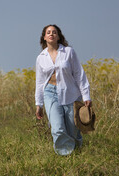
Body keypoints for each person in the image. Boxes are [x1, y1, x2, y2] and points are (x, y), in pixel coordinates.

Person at [35, 24, 92, 156]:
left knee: (73, 129)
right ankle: (66, 154)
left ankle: (78, 150)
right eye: (48, 32)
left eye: (54, 32)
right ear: (44, 37)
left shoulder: (68, 52)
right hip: (50, 93)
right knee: (57, 127)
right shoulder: (41, 58)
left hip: (70, 93)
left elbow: (79, 73)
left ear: (58, 36)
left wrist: (86, 95)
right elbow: (39, 82)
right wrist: (39, 104)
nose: (51, 34)